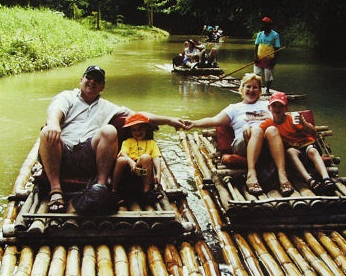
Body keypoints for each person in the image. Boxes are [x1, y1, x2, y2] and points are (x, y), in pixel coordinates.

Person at [39, 65, 185, 213]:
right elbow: (55, 111)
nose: (92, 82)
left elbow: (140, 116)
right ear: (81, 80)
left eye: (97, 80)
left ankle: (101, 186)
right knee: (46, 132)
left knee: (109, 130)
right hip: (63, 150)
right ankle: (55, 190)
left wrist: (169, 120)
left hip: (89, 154)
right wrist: (53, 124)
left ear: (102, 87)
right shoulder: (67, 97)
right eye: (89, 78)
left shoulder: (107, 107)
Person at [184, 73, 294, 196]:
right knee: (256, 130)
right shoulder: (234, 108)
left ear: (260, 90)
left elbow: (285, 118)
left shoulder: (268, 105)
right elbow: (214, 120)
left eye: (255, 87)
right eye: (248, 87)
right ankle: (251, 174)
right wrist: (194, 123)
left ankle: (282, 175)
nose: (251, 90)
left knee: (272, 130)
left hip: (267, 143)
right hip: (243, 143)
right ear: (241, 89)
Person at [260, 92, 336, 195]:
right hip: (294, 152)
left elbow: (314, 133)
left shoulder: (293, 119)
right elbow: (259, 132)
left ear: (286, 108)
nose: (277, 109)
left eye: (280, 106)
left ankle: (326, 179)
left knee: (312, 150)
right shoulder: (268, 123)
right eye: (274, 105)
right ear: (269, 108)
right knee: (291, 152)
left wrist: (304, 124)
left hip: (307, 146)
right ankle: (310, 180)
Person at [111, 112, 164, 204]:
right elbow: (123, 153)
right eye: (134, 130)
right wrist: (130, 162)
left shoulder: (151, 143)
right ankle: (114, 191)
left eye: (140, 129)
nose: (138, 132)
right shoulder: (128, 142)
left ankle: (146, 191)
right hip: (127, 171)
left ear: (146, 129)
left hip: (143, 173)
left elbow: (156, 157)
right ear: (131, 132)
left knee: (146, 157)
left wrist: (158, 174)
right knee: (121, 160)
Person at [254, 16, 281, 95]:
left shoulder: (275, 35)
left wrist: (274, 60)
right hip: (259, 57)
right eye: (262, 24)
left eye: (265, 24)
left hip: (269, 58)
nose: (263, 26)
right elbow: (256, 46)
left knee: (268, 75)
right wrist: (255, 56)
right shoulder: (260, 34)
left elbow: (277, 48)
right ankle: (258, 89)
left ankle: (267, 90)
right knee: (257, 74)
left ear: (269, 25)